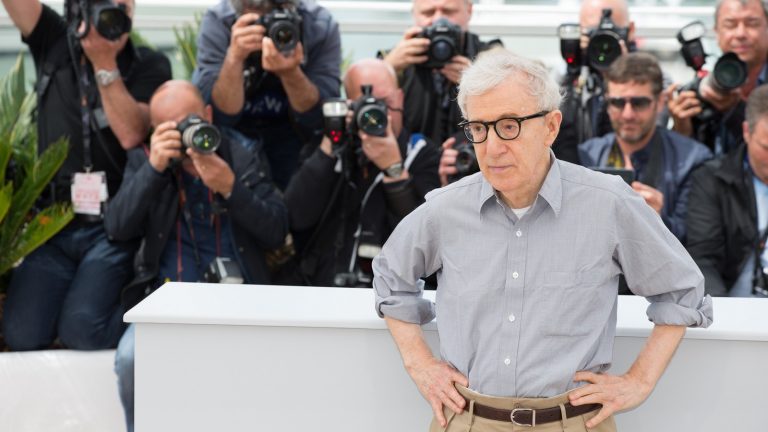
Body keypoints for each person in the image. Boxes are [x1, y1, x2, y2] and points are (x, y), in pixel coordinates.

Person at [373, 49, 712, 432]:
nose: (492, 147)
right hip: (467, 420)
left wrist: (640, 382)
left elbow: (683, 291)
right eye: (479, 128)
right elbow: (390, 278)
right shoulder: (445, 209)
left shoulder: (608, 202)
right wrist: (419, 364)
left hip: (574, 423)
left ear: (551, 126)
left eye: (509, 125)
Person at [106, 80, 289, 432]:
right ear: (155, 131)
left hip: (241, 299)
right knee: (130, 359)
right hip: (167, 302)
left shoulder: (241, 153)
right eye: (170, 128)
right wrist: (153, 169)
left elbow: (276, 230)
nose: (185, 134)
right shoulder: (145, 159)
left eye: (190, 121)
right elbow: (117, 227)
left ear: (208, 114)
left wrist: (231, 188)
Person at [0, 0, 171, 350]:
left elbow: (131, 133)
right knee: (21, 334)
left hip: (112, 228)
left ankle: (149, 313)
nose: (115, 13)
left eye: (123, 5)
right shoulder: (54, 40)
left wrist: (104, 64)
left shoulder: (150, 64)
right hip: (54, 223)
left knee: (82, 330)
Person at [282, 58, 441, 287]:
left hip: (392, 293)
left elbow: (429, 243)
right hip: (321, 288)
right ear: (348, 106)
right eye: (364, 106)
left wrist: (394, 170)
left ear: (400, 98)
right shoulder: (331, 149)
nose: (374, 115)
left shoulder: (422, 154)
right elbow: (294, 218)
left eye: (384, 103)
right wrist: (331, 144)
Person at [193, 0, 341, 189]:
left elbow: (319, 117)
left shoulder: (318, 24)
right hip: (236, 136)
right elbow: (218, 115)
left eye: (278, 17)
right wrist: (235, 58)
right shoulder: (220, 20)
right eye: (259, 22)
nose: (270, 30)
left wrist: (291, 73)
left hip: (295, 137)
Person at [580, 53, 712, 243]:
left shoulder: (693, 160)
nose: (628, 114)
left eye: (639, 103)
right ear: (607, 104)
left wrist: (660, 220)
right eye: (618, 102)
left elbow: (700, 242)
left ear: (660, 103)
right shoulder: (585, 156)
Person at [382, 0, 500, 185]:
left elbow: (522, 97)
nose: (439, 20)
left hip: (473, 177)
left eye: (448, 11)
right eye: (428, 13)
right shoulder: (396, 59)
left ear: (469, 11)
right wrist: (388, 67)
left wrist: (479, 79)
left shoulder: (492, 57)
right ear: (414, 14)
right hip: (410, 175)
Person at [686, 85, 768, 297]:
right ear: (746, 132)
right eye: (766, 148)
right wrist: (723, 312)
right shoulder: (711, 181)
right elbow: (703, 259)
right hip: (734, 306)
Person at [667, 0, 768, 154]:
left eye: (752, 24)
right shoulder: (704, 89)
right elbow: (689, 162)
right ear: (717, 32)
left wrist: (735, 110)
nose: (740, 34)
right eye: (730, 25)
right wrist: (681, 129)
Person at [552, 0, 636, 165]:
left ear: (630, 31)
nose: (603, 44)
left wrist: (625, 73)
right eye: (593, 32)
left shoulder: (648, 76)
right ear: (580, 32)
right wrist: (574, 65)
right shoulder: (564, 76)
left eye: (613, 32)